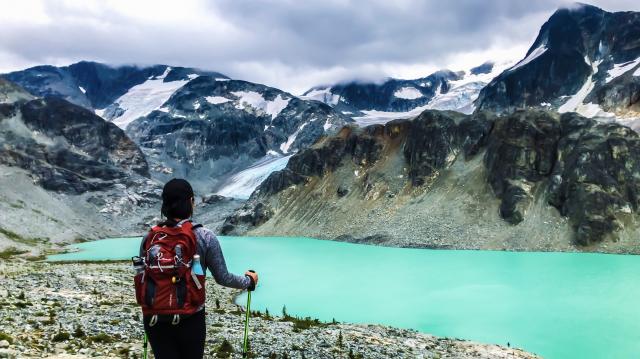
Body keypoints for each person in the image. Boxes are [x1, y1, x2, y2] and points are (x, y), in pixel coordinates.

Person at [138, 178, 258, 359]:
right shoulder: (204, 236)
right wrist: (248, 281)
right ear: (191, 202)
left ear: (164, 204)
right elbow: (222, 277)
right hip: (190, 318)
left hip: (155, 318)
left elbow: (142, 275)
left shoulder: (150, 238)